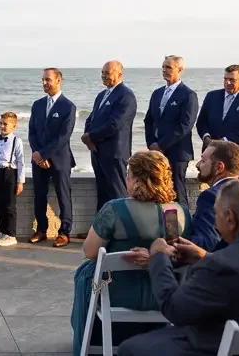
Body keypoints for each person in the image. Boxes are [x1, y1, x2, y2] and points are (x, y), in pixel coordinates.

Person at [117, 180, 239, 356]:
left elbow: (175, 309)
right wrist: (205, 257)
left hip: (221, 347)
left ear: (230, 218)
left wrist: (158, 257)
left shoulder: (221, 266)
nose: (216, 225)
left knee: (131, 348)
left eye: (216, 215)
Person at [70, 150, 190, 356]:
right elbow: (179, 254)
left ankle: (89, 342)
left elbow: (90, 251)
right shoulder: (178, 212)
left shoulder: (114, 209)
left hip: (118, 295)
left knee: (85, 272)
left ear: (135, 179)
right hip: (161, 294)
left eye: (128, 174)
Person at [27, 68, 76, 247]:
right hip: (38, 159)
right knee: (39, 195)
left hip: (60, 159)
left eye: (48, 80)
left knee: (63, 196)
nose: (44, 83)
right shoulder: (37, 104)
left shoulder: (68, 106)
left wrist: (45, 153)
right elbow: (32, 132)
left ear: (58, 80)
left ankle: (64, 232)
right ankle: (41, 230)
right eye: (43, 80)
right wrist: (38, 154)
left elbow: (64, 136)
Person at [143, 55, 198, 208]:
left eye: (168, 67)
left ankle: (184, 227)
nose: (164, 70)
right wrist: (151, 144)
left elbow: (185, 125)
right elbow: (148, 120)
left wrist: (162, 144)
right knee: (158, 191)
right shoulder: (157, 93)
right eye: (163, 67)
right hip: (157, 152)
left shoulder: (188, 95)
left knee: (176, 190)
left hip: (178, 152)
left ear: (180, 70)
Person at [82, 60, 138, 210]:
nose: (104, 76)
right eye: (102, 73)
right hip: (97, 151)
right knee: (102, 193)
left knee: (117, 193)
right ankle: (101, 230)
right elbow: (91, 118)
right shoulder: (102, 95)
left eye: (107, 73)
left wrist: (91, 137)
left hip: (114, 153)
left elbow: (115, 124)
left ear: (119, 74)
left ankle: (123, 230)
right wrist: (86, 134)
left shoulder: (126, 96)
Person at [195, 65, 239, 179]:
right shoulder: (212, 96)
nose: (228, 82)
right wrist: (206, 138)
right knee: (216, 193)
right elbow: (201, 122)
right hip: (213, 156)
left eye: (232, 80)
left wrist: (224, 141)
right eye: (225, 79)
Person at [189, 140, 239, 251]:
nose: (198, 165)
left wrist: (175, 243)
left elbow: (207, 242)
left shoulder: (210, 197)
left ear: (219, 167)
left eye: (203, 160)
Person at [0, 111, 25, 247]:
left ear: (14, 126)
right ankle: (2, 231)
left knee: (9, 206)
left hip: (10, 173)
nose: (2, 126)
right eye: (1, 123)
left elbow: (21, 162)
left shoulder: (17, 141)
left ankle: (11, 234)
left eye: (5, 124)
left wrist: (20, 182)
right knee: (1, 205)